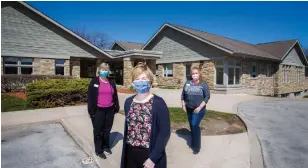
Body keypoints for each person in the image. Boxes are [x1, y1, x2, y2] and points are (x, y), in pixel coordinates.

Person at [121, 63, 171, 168]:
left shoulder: (158, 103)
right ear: (133, 83)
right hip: (131, 153)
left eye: (143, 78)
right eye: (137, 79)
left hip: (149, 154)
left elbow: (164, 133)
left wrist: (153, 158)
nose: (140, 82)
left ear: (150, 81)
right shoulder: (128, 102)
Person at [87, 62, 120, 159]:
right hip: (98, 110)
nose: (104, 71)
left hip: (110, 110)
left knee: (107, 130)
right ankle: (99, 150)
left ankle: (106, 146)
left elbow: (115, 96)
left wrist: (116, 106)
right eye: (102, 69)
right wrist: (91, 112)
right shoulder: (94, 82)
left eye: (106, 69)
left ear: (108, 71)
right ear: (99, 70)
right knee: (98, 131)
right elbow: (91, 97)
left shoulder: (111, 82)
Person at [181, 66, 210, 155]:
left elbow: (207, 96)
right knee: (191, 125)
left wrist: (200, 107)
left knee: (194, 125)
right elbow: (183, 95)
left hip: (199, 109)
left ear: (199, 74)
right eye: (193, 73)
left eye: (196, 73)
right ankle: (193, 141)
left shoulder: (203, 84)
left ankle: (196, 147)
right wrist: (183, 103)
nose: (194, 75)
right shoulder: (187, 83)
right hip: (189, 108)